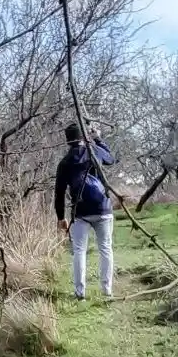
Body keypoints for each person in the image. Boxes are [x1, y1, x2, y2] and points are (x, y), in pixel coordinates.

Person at [54, 122, 117, 300]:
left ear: (68, 140)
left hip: (80, 212)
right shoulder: (95, 151)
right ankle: (107, 290)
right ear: (83, 136)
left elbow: (59, 192)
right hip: (102, 208)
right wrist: (98, 138)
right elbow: (111, 159)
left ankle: (80, 293)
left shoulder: (64, 162)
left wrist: (61, 217)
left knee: (79, 251)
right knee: (105, 248)